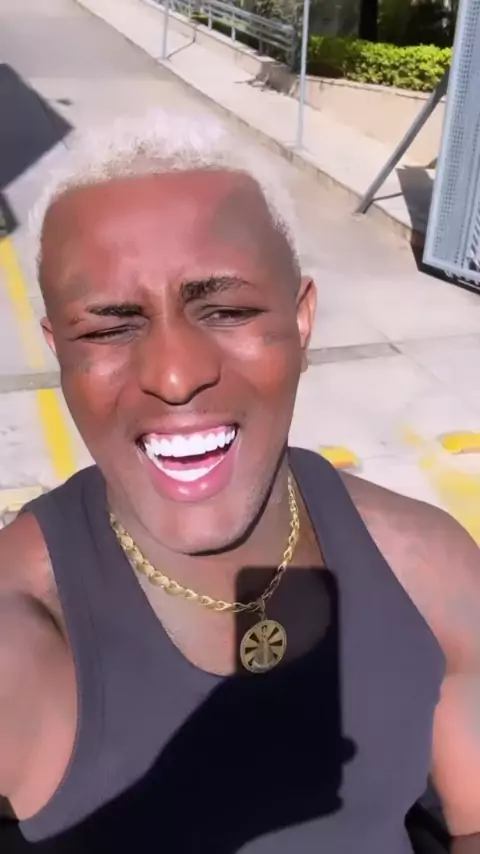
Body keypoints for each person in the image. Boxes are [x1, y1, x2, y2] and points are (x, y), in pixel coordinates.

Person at [0, 110, 479, 853]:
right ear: (59, 350)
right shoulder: (23, 619)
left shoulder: (428, 563)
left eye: (225, 310)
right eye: (109, 328)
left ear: (302, 321)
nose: (174, 376)